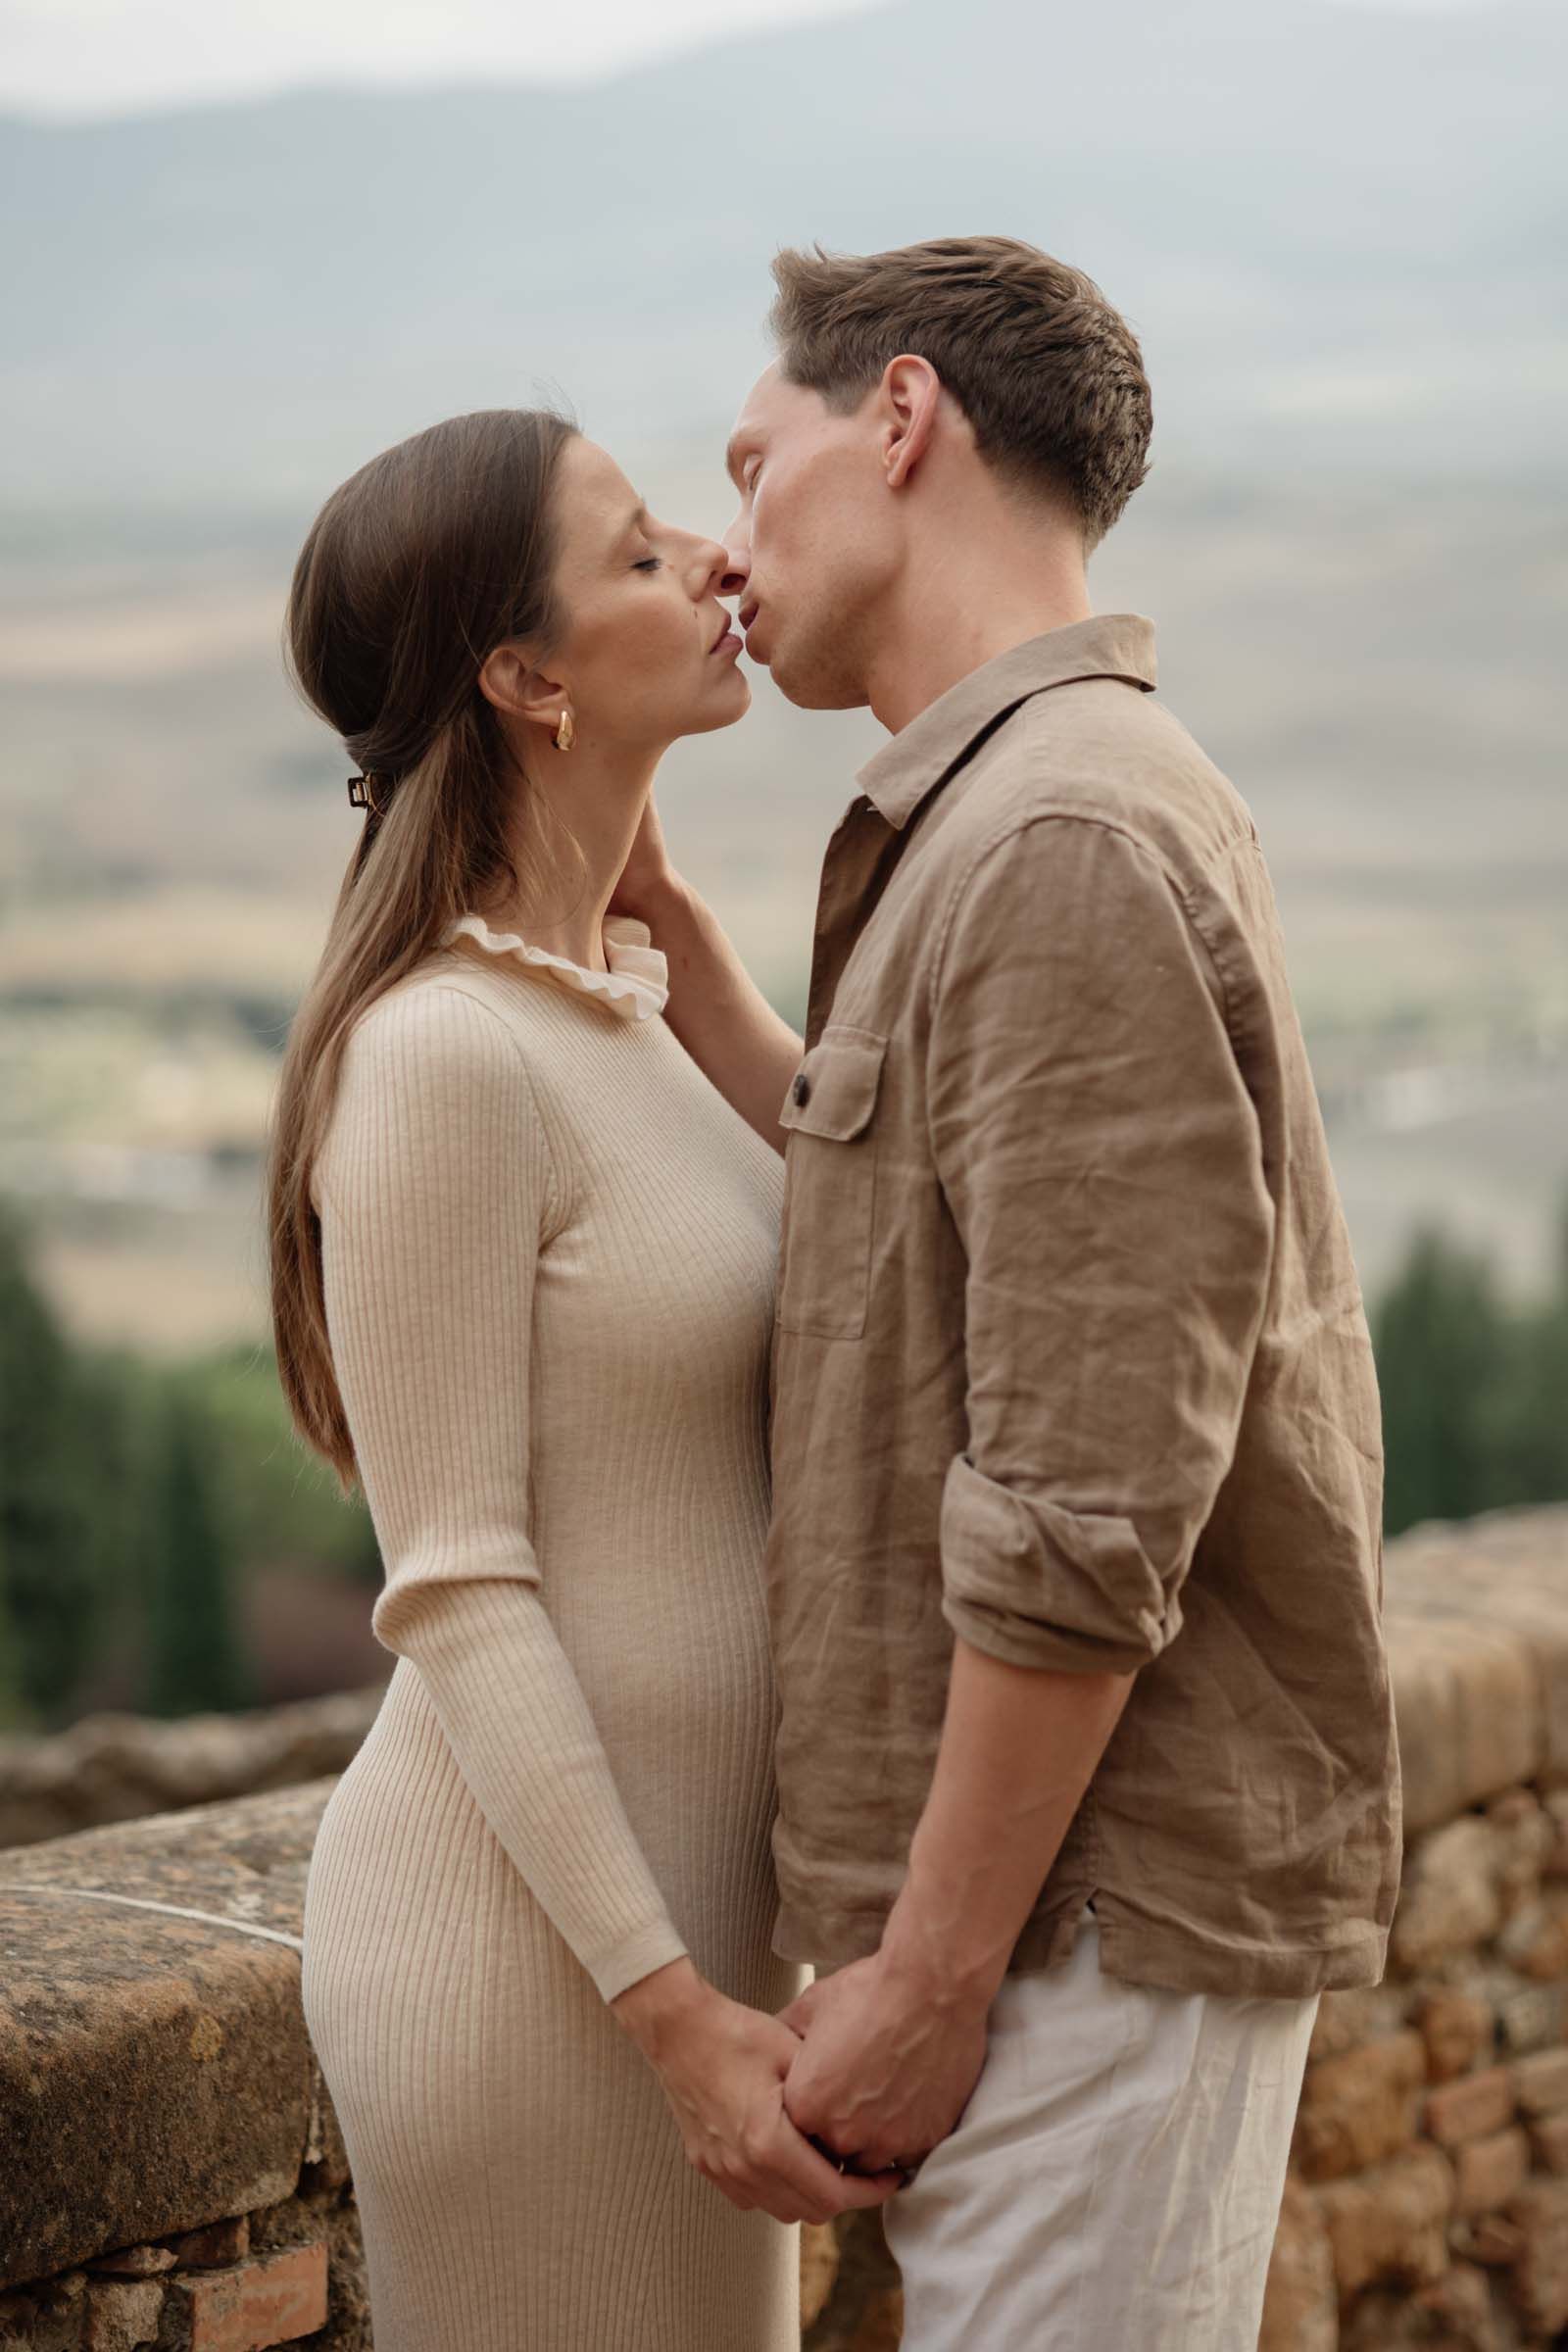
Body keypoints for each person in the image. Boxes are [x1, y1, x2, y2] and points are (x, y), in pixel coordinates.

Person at [612, 235, 1404, 2349]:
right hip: (1047, 1930)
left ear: (897, 416)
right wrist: (690, 966)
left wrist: (931, 1979)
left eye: (748, 460)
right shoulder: (1009, 814)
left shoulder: (1057, 837)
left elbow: (1080, 1503)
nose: (722, 541)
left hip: (1076, 1939)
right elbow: (937, 1255)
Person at [267, 408, 899, 2352]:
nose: (717, 560)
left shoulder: (620, 1019)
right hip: (533, 1973)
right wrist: (668, 2013)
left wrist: (694, 966)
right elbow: (454, 1583)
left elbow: (887, 1250)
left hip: (693, 1950)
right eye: (639, 554)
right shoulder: (445, 1059)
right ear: (526, 676)